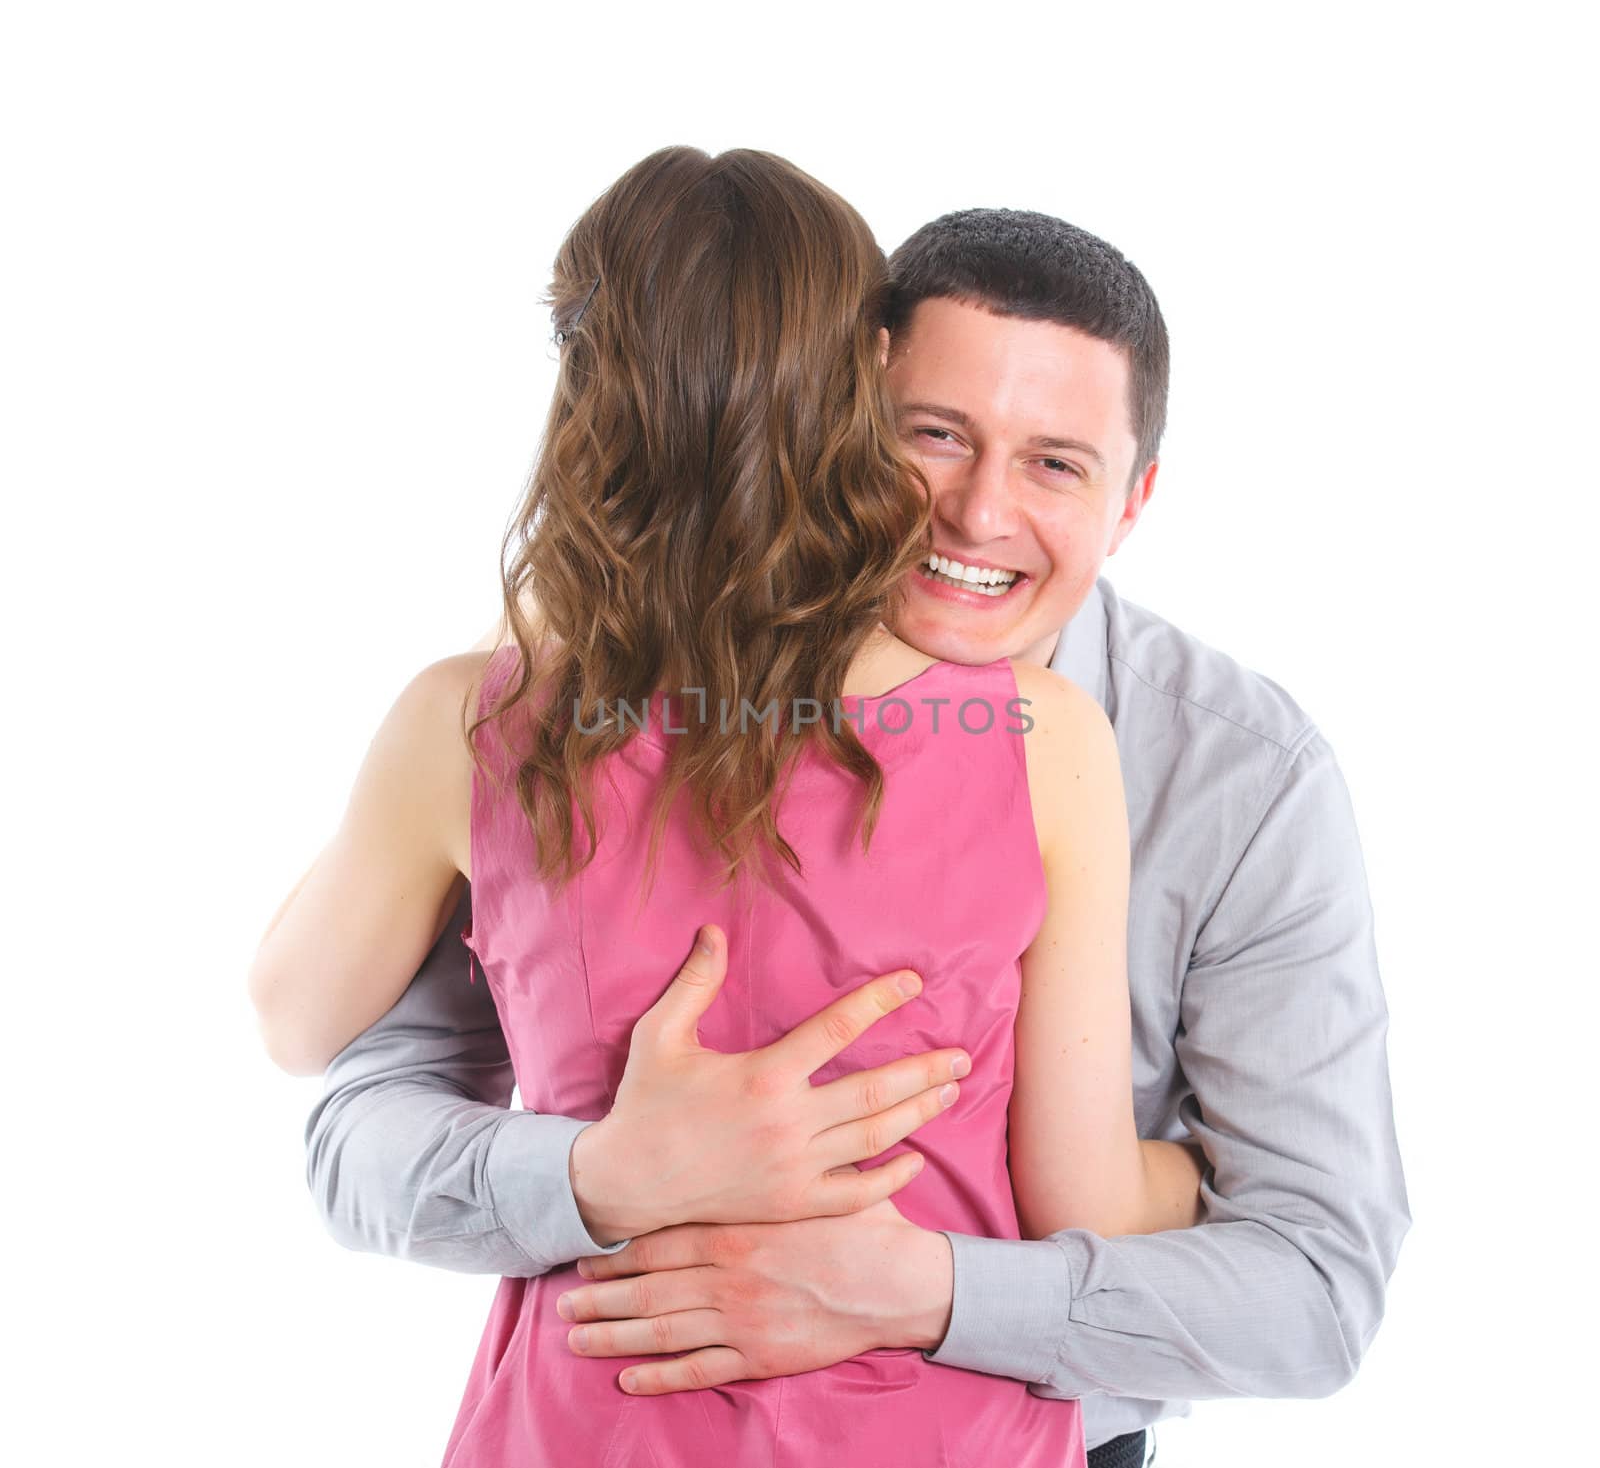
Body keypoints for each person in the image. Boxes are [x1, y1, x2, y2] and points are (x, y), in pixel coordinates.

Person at [300, 202, 1411, 1467]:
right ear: (832, 424)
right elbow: (358, 1129)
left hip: (1015, 1415)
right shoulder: (609, 709)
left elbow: (1316, 1293)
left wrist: (925, 1292)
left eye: (1055, 463)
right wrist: (601, 1174)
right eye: (930, 437)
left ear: (1134, 499)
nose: (977, 514)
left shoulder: (1242, 776)